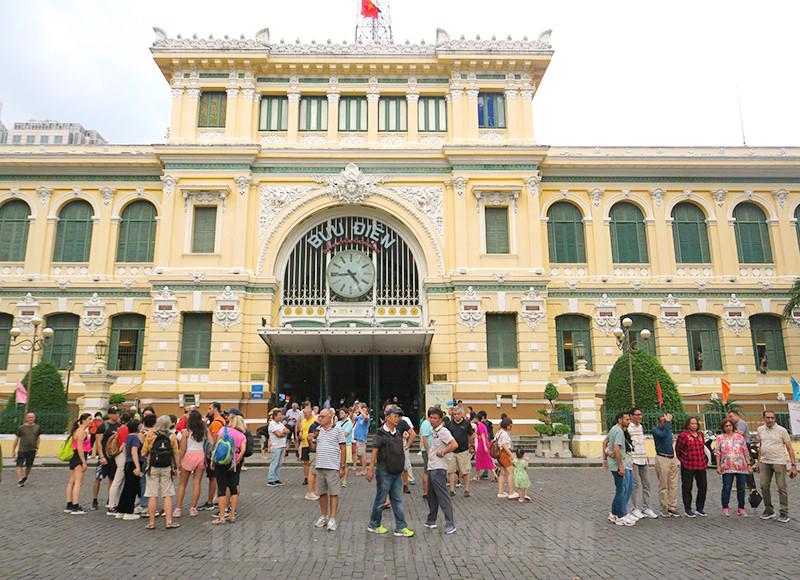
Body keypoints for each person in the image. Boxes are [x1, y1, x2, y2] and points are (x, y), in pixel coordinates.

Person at [366, 406, 415, 537]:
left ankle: (401, 527)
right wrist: (370, 468)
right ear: (387, 417)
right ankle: (374, 524)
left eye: (399, 416)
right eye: (395, 416)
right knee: (381, 499)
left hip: (396, 470)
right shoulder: (380, 433)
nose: (397, 418)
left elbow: (412, 435)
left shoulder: (398, 432)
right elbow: (374, 451)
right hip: (384, 470)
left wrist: (407, 445)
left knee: (397, 499)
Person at [756, 410, 798, 523]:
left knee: (781, 487)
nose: (770, 420)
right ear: (764, 418)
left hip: (779, 461)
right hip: (765, 461)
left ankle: (784, 512)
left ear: (775, 419)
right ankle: (769, 510)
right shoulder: (760, 429)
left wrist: (793, 465)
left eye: (772, 418)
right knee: (764, 486)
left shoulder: (782, 430)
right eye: (768, 418)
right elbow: (761, 446)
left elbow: (789, 448)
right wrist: (759, 462)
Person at [142, 415, 181, 529]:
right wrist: (177, 468)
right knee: (167, 494)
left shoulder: (150, 435)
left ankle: (151, 522)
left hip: (152, 467)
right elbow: (176, 453)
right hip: (166, 467)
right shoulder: (172, 436)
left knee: (152, 494)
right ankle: (169, 522)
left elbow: (143, 452)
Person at [311, 408, 346, 531]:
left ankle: (333, 518)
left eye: (322, 416)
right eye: (319, 416)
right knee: (321, 492)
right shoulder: (318, 430)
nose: (320, 418)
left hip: (332, 466)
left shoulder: (338, 430)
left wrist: (342, 466)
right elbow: (314, 447)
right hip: (320, 465)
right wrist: (312, 440)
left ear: (330, 417)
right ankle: (323, 516)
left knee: (334, 492)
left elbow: (343, 448)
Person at [424, 407, 458, 534]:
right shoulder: (434, 431)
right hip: (432, 466)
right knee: (431, 496)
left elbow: (454, 444)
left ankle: (450, 523)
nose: (432, 420)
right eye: (431, 418)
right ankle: (431, 519)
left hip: (439, 468)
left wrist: (443, 451)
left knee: (443, 496)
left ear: (440, 419)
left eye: (435, 418)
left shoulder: (443, 431)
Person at [211, 414, 247, 525]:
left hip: (221, 462)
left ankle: (221, 516)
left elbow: (216, 445)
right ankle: (232, 515)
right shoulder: (242, 436)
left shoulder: (223, 430)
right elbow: (243, 450)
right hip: (233, 463)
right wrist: (237, 460)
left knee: (222, 488)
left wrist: (212, 460)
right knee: (233, 488)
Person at [715, 418, 752, 516]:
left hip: (741, 466)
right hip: (727, 466)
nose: (728, 427)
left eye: (730, 425)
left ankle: (741, 508)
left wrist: (749, 465)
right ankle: (725, 507)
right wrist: (718, 466)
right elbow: (717, 452)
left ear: (733, 426)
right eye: (726, 426)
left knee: (741, 488)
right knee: (727, 487)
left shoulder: (739, 437)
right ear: (723, 427)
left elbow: (745, 451)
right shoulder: (720, 438)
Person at [174, 409, 206, 517]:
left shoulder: (185, 432)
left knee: (182, 484)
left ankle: (178, 509)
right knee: (197, 483)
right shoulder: (203, 430)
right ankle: (193, 508)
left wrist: (178, 463)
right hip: (200, 455)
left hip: (189, 455)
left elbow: (182, 449)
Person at [627, 407, 658, 519]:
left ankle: (647, 507)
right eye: (637, 414)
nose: (640, 416)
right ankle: (634, 508)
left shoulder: (640, 427)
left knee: (647, 484)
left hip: (643, 458)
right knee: (635, 485)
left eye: (641, 414)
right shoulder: (628, 428)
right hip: (634, 460)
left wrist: (646, 456)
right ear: (631, 416)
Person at [675, 416, 708, 518]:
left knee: (703, 486)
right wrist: (683, 460)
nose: (694, 425)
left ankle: (699, 508)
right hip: (688, 465)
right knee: (687, 487)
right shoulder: (683, 435)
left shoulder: (701, 435)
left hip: (701, 464)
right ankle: (688, 509)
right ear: (688, 424)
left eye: (695, 423)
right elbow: (678, 449)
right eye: (692, 423)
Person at [91, 406, 121, 510]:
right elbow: (98, 442)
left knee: (112, 478)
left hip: (114, 456)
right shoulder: (103, 426)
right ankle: (95, 499)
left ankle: (110, 499)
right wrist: (101, 456)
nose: (117, 415)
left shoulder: (119, 426)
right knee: (98, 478)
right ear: (109, 415)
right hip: (104, 456)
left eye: (117, 413)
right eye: (114, 413)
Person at [198, 402, 226, 511]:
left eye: (210, 408)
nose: (208, 411)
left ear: (215, 409)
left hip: (214, 454)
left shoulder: (216, 423)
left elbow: (213, 441)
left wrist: (206, 428)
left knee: (213, 477)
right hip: (220, 453)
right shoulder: (222, 421)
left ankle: (210, 501)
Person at [652, 412, 680, 518]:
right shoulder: (656, 430)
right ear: (660, 421)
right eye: (664, 420)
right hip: (662, 458)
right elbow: (662, 436)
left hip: (671, 457)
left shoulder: (668, 429)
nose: (666, 422)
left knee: (673, 484)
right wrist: (667, 423)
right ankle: (664, 507)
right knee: (663, 485)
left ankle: (672, 507)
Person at [64, 413, 93, 515]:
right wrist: (84, 462)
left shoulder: (77, 431)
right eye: (89, 419)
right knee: (78, 482)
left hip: (75, 457)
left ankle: (69, 503)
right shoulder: (81, 432)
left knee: (72, 481)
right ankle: (75, 505)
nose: (91, 421)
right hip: (79, 458)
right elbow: (80, 448)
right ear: (84, 420)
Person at [117, 419, 144, 520]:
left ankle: (121, 510)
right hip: (133, 464)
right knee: (132, 488)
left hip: (127, 463)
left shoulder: (128, 437)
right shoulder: (135, 438)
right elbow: (134, 452)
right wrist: (137, 466)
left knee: (126, 487)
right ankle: (128, 511)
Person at [446, 406, 474, 497]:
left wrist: (471, 445)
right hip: (451, 451)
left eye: (458, 414)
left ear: (461, 414)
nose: (456, 416)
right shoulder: (449, 424)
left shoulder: (466, 424)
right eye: (454, 414)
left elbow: (471, 435)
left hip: (463, 451)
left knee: (465, 471)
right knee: (451, 471)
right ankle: (452, 490)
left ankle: (466, 489)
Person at [13, 412, 41, 487]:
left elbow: (38, 438)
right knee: (19, 465)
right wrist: (13, 450)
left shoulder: (37, 427)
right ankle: (19, 480)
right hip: (22, 449)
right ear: (26, 418)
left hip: (32, 450)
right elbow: (17, 439)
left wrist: (37, 447)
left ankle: (25, 477)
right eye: (29, 417)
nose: (30, 419)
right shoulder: (21, 428)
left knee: (29, 465)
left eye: (32, 417)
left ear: (34, 418)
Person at [298, 406, 318, 499]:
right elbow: (301, 431)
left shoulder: (315, 421)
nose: (304, 415)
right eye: (303, 413)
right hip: (305, 444)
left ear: (310, 413)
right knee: (305, 462)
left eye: (306, 413)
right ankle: (306, 478)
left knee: (312, 465)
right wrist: (300, 435)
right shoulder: (303, 421)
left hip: (312, 446)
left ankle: (313, 484)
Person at [267, 408, 289, 486]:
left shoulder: (280, 424)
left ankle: (276, 478)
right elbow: (278, 435)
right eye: (279, 415)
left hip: (282, 446)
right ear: (275, 416)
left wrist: (283, 432)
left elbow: (287, 431)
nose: (281, 417)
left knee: (279, 463)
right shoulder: (272, 424)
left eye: (281, 415)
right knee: (274, 463)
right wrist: (283, 433)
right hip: (276, 446)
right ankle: (271, 479)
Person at [495, 417, 516, 499]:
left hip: (499, 455)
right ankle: (511, 492)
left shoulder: (498, 432)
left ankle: (501, 492)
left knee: (502, 473)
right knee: (511, 472)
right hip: (504, 454)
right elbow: (505, 445)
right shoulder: (504, 434)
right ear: (507, 426)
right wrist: (511, 455)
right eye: (510, 425)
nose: (511, 427)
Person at [472, 410, 495, 482]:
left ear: (476, 419)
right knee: (486, 459)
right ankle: (493, 474)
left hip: (481, 444)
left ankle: (478, 476)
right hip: (483, 443)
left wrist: (484, 445)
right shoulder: (483, 425)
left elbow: (482, 436)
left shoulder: (480, 426)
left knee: (480, 460)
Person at [337, 408, 353, 488]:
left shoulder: (349, 423)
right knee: (338, 463)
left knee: (345, 464)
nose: (340, 414)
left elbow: (346, 434)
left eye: (342, 413)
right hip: (338, 445)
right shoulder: (338, 423)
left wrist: (339, 432)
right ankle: (337, 479)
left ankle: (344, 480)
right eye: (340, 413)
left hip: (346, 445)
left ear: (346, 414)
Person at [353, 403, 370, 475]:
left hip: (362, 439)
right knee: (360, 454)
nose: (362, 411)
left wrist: (360, 409)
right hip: (357, 438)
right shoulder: (359, 417)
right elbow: (352, 417)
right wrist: (355, 407)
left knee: (362, 455)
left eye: (364, 410)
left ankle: (364, 470)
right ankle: (364, 469)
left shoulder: (367, 418)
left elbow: (365, 417)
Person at [419, 413, 433, 498]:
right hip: (427, 450)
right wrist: (428, 451)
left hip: (431, 450)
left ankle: (429, 490)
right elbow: (424, 438)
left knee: (429, 470)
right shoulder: (426, 424)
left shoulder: (429, 424)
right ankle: (425, 491)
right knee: (427, 470)